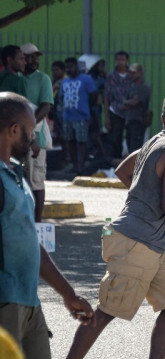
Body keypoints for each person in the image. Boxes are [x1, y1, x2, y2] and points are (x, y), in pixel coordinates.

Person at [66, 91, 165, 359]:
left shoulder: (153, 142)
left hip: (150, 243)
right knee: (106, 311)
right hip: (136, 242)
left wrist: (145, 194)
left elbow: (122, 171)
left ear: (163, 118)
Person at [0, 92, 95, 359]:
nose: (33, 138)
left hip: (30, 303)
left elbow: (31, 242)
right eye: (30, 131)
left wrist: (69, 293)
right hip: (5, 303)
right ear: (14, 130)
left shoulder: (15, 174)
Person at [21, 43, 53, 223]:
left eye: (36, 57)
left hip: (36, 137)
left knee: (36, 182)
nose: (34, 60)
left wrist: (29, 128)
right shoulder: (16, 79)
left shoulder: (43, 79)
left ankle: (37, 223)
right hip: (16, 138)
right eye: (30, 56)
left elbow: (46, 106)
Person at [59, 57, 97, 174]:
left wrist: (88, 111)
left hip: (81, 116)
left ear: (76, 66)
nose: (69, 70)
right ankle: (75, 165)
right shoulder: (64, 81)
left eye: (71, 67)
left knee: (81, 142)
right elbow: (61, 97)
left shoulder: (86, 79)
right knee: (69, 141)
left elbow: (94, 97)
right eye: (67, 68)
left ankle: (80, 165)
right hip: (67, 116)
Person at [105, 51, 133, 160]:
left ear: (127, 61)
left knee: (131, 137)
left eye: (123, 60)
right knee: (115, 138)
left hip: (130, 111)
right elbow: (106, 97)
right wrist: (107, 117)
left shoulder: (132, 76)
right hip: (115, 111)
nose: (121, 62)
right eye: (118, 60)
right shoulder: (111, 77)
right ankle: (115, 160)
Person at [122, 63, 151, 153]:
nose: (131, 75)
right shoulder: (131, 86)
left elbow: (136, 102)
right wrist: (128, 102)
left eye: (134, 73)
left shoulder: (144, 87)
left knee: (136, 149)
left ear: (140, 73)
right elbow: (124, 101)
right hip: (129, 121)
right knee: (130, 146)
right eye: (130, 73)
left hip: (138, 121)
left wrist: (128, 102)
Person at [87, 58, 108, 161]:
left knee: (96, 130)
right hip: (91, 108)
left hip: (97, 108)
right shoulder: (92, 78)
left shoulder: (99, 77)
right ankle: (101, 152)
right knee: (95, 131)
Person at [50, 60, 66, 143]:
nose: (54, 72)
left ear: (63, 70)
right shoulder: (54, 81)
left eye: (56, 70)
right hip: (57, 110)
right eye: (53, 70)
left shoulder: (65, 81)